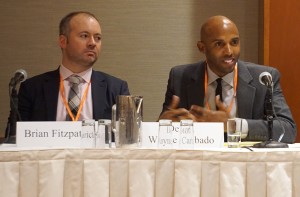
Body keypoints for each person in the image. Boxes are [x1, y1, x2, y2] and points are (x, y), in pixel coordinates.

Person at [159, 15, 297, 143]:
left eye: (234, 42)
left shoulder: (264, 78)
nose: (229, 51)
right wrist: (163, 124)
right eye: (219, 44)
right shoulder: (180, 77)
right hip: (198, 162)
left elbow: (287, 130)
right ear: (202, 47)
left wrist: (234, 125)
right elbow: (163, 130)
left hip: (246, 164)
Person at [18, 11, 130, 121]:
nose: (92, 43)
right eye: (84, 36)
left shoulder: (116, 89)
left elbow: (129, 136)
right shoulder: (31, 89)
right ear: (63, 41)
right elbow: (15, 136)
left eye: (98, 38)